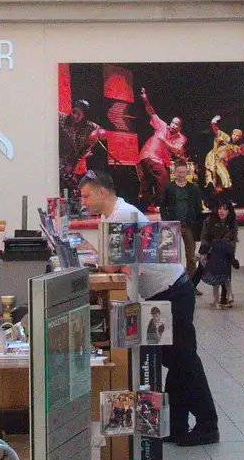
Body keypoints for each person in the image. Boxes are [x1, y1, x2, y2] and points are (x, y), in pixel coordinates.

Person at [81, 170, 218, 445]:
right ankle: (177, 426)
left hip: (172, 291)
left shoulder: (123, 214)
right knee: (174, 359)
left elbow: (110, 264)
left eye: (86, 195)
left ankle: (207, 424)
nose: (84, 202)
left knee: (183, 359)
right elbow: (114, 260)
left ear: (101, 192)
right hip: (163, 292)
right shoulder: (112, 216)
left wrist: (99, 258)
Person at [134, 88, 188, 211]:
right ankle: (156, 204)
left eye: (176, 124)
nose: (173, 125)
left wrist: (164, 141)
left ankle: (145, 206)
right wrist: (146, 100)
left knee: (148, 182)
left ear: (180, 127)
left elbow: (176, 150)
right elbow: (152, 112)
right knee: (163, 178)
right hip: (149, 156)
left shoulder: (181, 138)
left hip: (158, 160)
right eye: (172, 123)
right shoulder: (162, 126)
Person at [162, 159, 206, 266]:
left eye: (183, 172)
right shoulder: (168, 188)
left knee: (191, 257)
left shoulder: (193, 188)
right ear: (174, 173)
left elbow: (198, 208)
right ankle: (173, 281)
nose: (181, 175)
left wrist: (196, 222)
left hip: (189, 225)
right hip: (172, 225)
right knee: (170, 256)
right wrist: (166, 221)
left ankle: (191, 281)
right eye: (179, 172)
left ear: (187, 172)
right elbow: (163, 206)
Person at [199, 198, 239, 307]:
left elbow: (233, 240)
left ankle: (226, 297)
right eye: (220, 209)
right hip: (212, 252)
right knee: (213, 275)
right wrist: (205, 250)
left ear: (229, 211)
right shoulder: (208, 221)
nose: (222, 211)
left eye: (225, 209)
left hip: (226, 252)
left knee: (226, 275)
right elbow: (204, 237)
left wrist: (231, 255)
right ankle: (216, 299)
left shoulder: (232, 223)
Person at [204, 115, 244, 195]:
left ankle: (224, 196)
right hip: (213, 158)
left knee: (223, 179)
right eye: (235, 135)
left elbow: (243, 153)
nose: (236, 137)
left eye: (238, 136)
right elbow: (216, 130)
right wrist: (213, 122)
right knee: (212, 175)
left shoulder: (236, 147)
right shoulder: (225, 137)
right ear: (232, 134)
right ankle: (212, 189)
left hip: (222, 163)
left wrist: (241, 149)